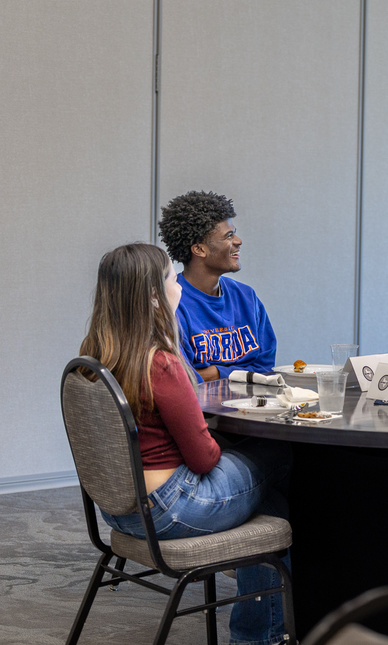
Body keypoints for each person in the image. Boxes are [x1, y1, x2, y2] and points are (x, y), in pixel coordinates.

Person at [80, 243, 292, 645]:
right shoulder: (160, 361)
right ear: (155, 296)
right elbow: (203, 458)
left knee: (268, 501)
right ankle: (262, 636)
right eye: (171, 278)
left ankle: (264, 633)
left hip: (118, 509)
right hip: (172, 508)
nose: (179, 282)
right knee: (279, 462)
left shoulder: (95, 356)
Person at [159, 191, 277, 382]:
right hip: (202, 410)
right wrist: (241, 373)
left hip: (251, 406)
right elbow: (183, 379)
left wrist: (215, 372)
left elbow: (265, 367)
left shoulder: (246, 296)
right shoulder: (173, 303)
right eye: (229, 236)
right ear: (199, 249)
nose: (238, 241)